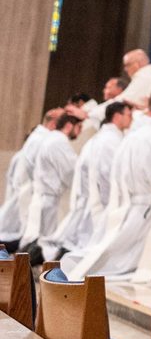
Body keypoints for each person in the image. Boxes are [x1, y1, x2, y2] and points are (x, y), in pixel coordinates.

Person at [62, 92, 151, 280]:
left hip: (132, 202)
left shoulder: (134, 136)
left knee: (124, 250)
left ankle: (77, 265)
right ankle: (77, 267)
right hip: (145, 205)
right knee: (122, 258)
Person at [40, 101, 131, 260]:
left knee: (71, 240)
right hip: (92, 198)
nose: (132, 119)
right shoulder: (109, 140)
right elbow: (101, 173)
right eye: (129, 115)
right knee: (74, 243)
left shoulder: (100, 139)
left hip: (84, 197)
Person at [17, 109, 85, 257]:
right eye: (79, 128)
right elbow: (71, 171)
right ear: (68, 126)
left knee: (38, 238)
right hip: (49, 197)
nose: (79, 133)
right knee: (46, 242)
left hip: (43, 194)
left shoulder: (50, 139)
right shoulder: (58, 142)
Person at [0, 108, 62, 250]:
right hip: (28, 195)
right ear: (53, 123)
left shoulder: (40, 139)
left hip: (26, 195)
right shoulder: (42, 140)